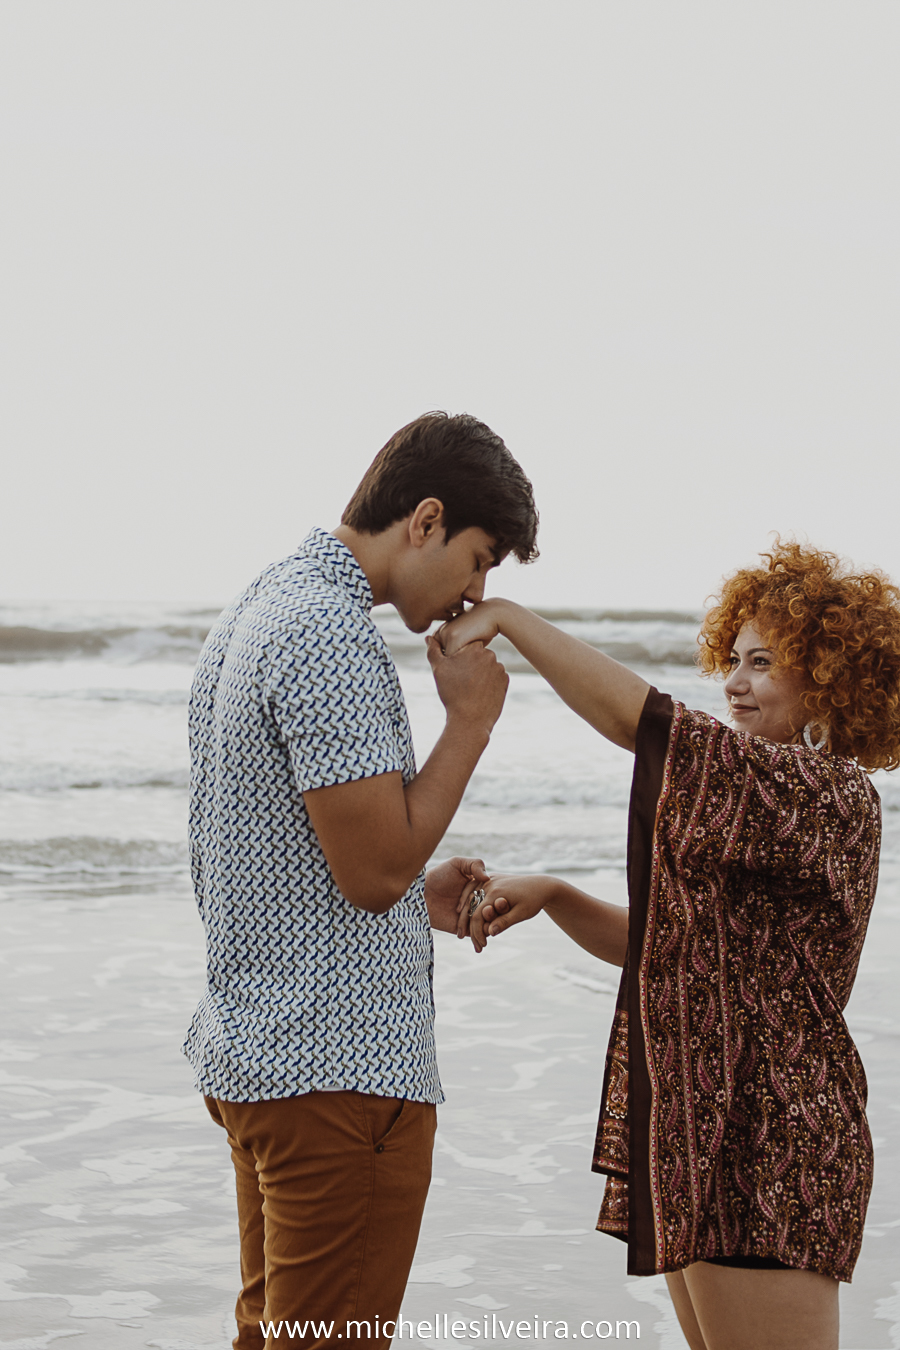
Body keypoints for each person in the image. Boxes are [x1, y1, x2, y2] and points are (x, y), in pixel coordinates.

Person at [441, 541, 900, 1350]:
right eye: (733, 658)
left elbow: (648, 723)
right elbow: (675, 949)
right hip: (716, 1132)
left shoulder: (823, 796)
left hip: (776, 1143)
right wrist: (555, 896)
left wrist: (510, 619)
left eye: (763, 663)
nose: (733, 682)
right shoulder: (767, 807)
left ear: (831, 679)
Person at [183, 412, 538, 1350]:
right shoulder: (327, 633)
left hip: (265, 1057)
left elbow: (276, 852)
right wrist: (470, 724)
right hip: (337, 1073)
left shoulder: (264, 603)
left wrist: (417, 892)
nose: (476, 588)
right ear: (425, 519)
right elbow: (375, 869)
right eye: (479, 558)